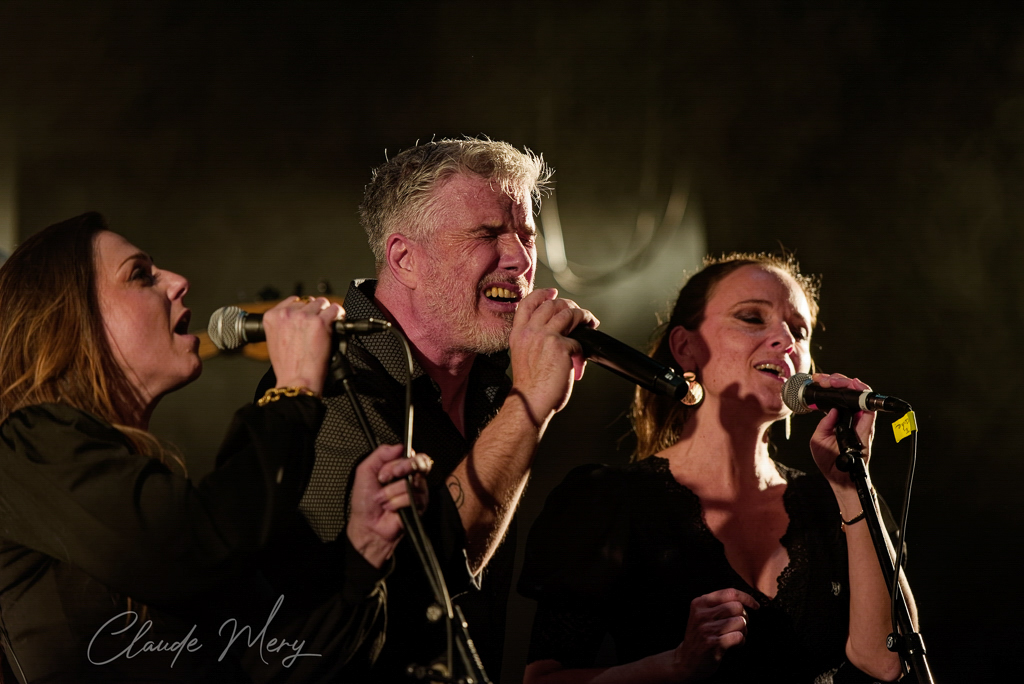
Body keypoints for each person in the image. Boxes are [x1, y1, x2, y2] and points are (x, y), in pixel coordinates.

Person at [0, 212, 429, 683]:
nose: (179, 282)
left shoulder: (146, 489)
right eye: (140, 275)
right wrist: (294, 391)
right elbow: (198, 545)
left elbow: (272, 664)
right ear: (68, 320)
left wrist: (364, 551)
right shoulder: (25, 446)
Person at [255, 137, 597, 681]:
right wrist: (529, 404)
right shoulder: (326, 385)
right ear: (405, 259)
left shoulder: (494, 383)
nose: (520, 258)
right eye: (488, 235)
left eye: (526, 235)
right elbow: (405, 592)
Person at [518, 253, 918, 683]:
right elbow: (542, 680)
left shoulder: (836, 500)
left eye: (799, 331)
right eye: (752, 318)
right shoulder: (607, 500)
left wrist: (851, 485)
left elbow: (886, 662)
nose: (786, 339)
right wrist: (675, 665)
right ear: (685, 348)